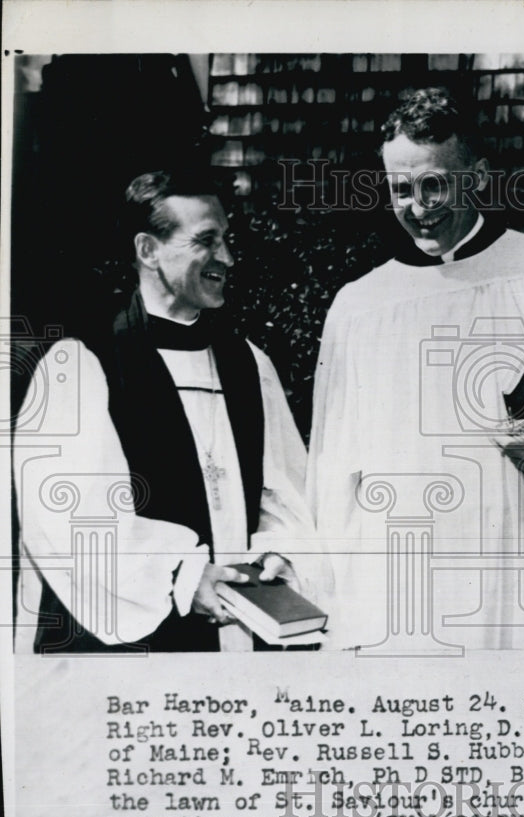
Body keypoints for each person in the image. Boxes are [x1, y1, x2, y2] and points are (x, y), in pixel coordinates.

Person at [307, 88, 524, 650]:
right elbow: (333, 466)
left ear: (478, 175)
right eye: (401, 188)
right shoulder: (361, 306)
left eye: (435, 184)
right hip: (405, 579)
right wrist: (335, 594)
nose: (418, 206)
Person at [14, 170, 318, 652]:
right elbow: (71, 520)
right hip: (127, 652)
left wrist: (279, 555)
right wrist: (182, 573)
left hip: (237, 639)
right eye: (206, 241)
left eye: (227, 240)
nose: (228, 258)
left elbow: (286, 495)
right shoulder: (83, 363)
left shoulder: (248, 363)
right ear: (148, 250)